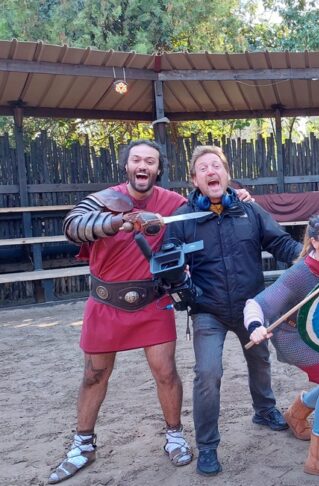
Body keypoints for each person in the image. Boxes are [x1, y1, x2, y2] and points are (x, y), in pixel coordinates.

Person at [49, 140, 193, 483]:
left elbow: (207, 210)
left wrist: (239, 196)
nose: (143, 166)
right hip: (105, 303)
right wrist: (120, 222)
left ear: (158, 169)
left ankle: (174, 436)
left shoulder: (173, 203)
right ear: (127, 166)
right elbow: (72, 227)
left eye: (150, 161)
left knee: (166, 372)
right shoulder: (103, 199)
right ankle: (83, 445)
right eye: (136, 160)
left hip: (153, 301)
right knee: (93, 375)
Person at [165, 145, 301, 476]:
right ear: (194, 179)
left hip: (250, 307)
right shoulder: (182, 219)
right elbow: (168, 257)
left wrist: (309, 256)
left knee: (260, 360)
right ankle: (207, 446)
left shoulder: (250, 212)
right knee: (208, 373)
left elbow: (280, 243)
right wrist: (175, 270)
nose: (211, 171)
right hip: (206, 310)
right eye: (203, 168)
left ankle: (264, 409)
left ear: (227, 174)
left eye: (217, 166)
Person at [244, 213, 319, 479]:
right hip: (292, 335)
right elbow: (257, 304)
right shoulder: (299, 274)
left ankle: (296, 415)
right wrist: (255, 326)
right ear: (314, 242)